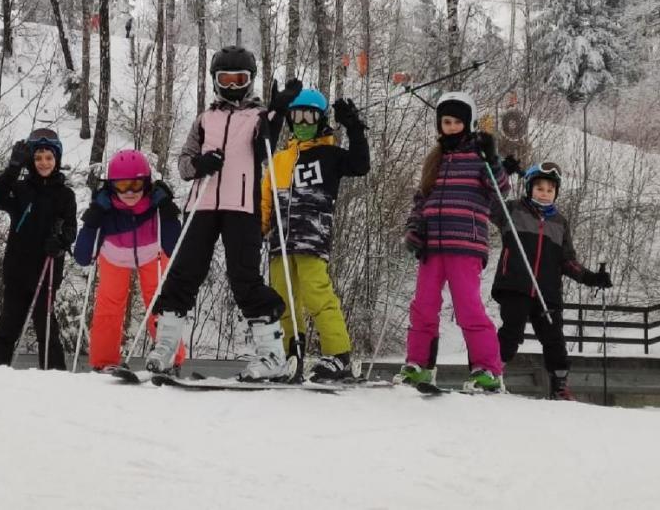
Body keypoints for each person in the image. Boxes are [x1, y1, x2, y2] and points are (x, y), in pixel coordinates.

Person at [147, 45, 301, 380]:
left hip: (240, 206)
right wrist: (199, 165)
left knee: (244, 278)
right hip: (201, 204)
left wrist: (278, 111)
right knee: (183, 274)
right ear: (215, 81)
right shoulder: (205, 118)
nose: (232, 86)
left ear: (250, 80)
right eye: (225, 79)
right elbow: (185, 162)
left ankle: (272, 355)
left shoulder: (258, 116)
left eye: (239, 79)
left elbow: (265, 150)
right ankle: (165, 347)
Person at [396, 91, 509, 393]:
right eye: (446, 121)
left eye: (458, 121)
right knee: (423, 305)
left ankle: (487, 369)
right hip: (432, 246)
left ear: (469, 123)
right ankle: (419, 365)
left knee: (468, 306)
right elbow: (421, 201)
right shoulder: (435, 160)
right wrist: (414, 230)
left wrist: (492, 158)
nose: (451, 127)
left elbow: (501, 190)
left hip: (465, 244)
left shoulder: (479, 157)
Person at [261, 88, 369, 381]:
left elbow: (361, 165)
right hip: (280, 241)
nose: (302, 122)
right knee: (281, 299)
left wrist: (354, 127)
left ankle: (338, 354)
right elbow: (266, 199)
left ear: (321, 120)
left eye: (309, 116)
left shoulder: (330, 155)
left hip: (311, 237)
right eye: (296, 116)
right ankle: (289, 353)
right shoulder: (280, 159)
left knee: (316, 293)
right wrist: (258, 228)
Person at [491, 161, 612, 400]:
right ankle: (492, 374)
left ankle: (559, 385)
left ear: (555, 193)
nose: (544, 194)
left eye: (549, 190)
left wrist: (591, 278)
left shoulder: (559, 223)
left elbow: (568, 261)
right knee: (511, 333)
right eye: (539, 188)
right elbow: (488, 200)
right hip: (515, 285)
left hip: (547, 291)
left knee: (554, 338)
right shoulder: (513, 210)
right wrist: (502, 171)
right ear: (529, 189)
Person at [72, 149, 185, 372]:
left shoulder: (155, 206)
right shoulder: (105, 209)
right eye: (123, 186)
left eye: (136, 184)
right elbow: (83, 258)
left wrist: (169, 216)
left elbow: (175, 249)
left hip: (152, 254)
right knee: (109, 305)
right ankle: (104, 362)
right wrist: (92, 221)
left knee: (159, 302)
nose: (130, 192)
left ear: (147, 183)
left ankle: (169, 356)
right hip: (114, 255)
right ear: (112, 186)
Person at [0, 129, 78, 370]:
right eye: (38, 158)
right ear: (31, 160)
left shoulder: (65, 194)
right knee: (8, 325)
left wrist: (61, 241)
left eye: (49, 158)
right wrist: (12, 168)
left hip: (47, 269)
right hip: (18, 269)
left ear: (57, 160)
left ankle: (55, 376)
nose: (43, 163)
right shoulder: (20, 189)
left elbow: (71, 228)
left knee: (46, 327)